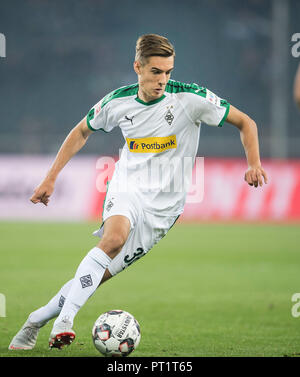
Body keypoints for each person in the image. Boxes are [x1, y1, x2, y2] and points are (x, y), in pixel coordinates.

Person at [9, 34, 268, 350]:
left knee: (96, 276)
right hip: (127, 187)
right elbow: (81, 131)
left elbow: (246, 122)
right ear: (138, 67)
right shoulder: (118, 102)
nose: (163, 80)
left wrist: (253, 163)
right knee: (114, 239)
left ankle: (35, 320)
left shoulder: (191, 99)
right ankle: (65, 322)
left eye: (168, 72)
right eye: (156, 72)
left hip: (164, 210)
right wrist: (50, 178)